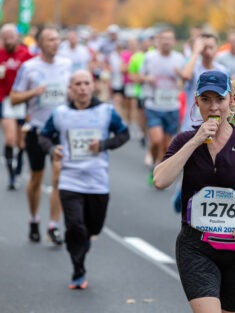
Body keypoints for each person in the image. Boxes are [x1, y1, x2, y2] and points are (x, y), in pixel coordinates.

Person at [154, 70, 235, 313]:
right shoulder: (185, 140)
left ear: (231, 101)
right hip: (196, 245)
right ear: (196, 102)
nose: (213, 107)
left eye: (220, 99)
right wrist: (195, 141)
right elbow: (160, 181)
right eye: (205, 100)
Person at [39, 70, 129, 289]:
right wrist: (52, 149)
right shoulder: (60, 113)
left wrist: (103, 145)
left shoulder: (106, 111)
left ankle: (87, 238)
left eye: (86, 83)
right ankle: (78, 271)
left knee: (93, 228)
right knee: (75, 228)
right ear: (70, 88)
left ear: (92, 86)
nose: (82, 87)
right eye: (77, 83)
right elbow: (42, 136)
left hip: (98, 182)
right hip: (70, 180)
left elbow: (124, 134)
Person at [11, 26, 73, 245]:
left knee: (59, 177)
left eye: (57, 39)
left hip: (61, 131)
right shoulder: (29, 68)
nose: (55, 43)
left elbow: (76, 91)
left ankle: (53, 226)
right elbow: (14, 98)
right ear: (39, 44)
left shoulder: (67, 65)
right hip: (36, 129)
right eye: (50, 39)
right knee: (36, 178)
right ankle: (34, 219)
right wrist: (33, 93)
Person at [138, 28, 185, 182]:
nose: (166, 41)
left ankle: (158, 165)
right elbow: (139, 76)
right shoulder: (149, 57)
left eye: (169, 39)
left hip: (172, 106)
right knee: (156, 140)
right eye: (163, 38)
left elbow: (185, 79)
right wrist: (147, 79)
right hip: (153, 105)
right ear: (158, 41)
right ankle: (153, 160)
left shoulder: (179, 59)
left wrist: (180, 79)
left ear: (174, 42)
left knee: (166, 146)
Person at [0, 24, 34, 190]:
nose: (8, 41)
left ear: (17, 37)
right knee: (10, 139)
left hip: (23, 101)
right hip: (6, 101)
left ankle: (19, 163)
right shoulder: (0, 55)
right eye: (4, 38)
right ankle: (11, 176)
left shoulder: (26, 55)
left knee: (21, 143)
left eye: (10, 37)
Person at [181, 34, 228, 132]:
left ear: (217, 48)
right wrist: (195, 52)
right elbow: (185, 76)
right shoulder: (193, 67)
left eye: (211, 47)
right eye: (204, 48)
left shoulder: (223, 70)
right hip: (192, 125)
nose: (207, 51)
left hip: (214, 125)